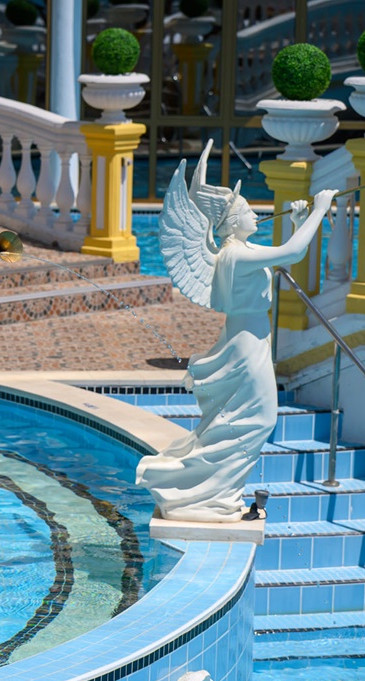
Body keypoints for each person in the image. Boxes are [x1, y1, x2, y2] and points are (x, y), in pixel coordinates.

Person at [139, 145, 335, 522]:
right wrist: (319, 211)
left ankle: (213, 494)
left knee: (241, 420)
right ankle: (209, 496)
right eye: (247, 211)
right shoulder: (236, 255)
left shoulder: (238, 251)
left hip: (250, 339)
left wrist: (299, 222)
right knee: (258, 419)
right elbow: (292, 254)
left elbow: (283, 252)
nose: (255, 214)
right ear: (232, 223)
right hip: (247, 344)